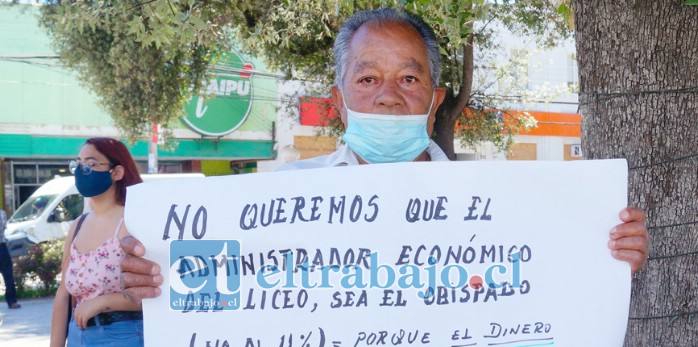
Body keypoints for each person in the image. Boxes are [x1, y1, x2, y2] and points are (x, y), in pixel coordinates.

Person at [119, 7, 649, 302]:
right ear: (340, 101)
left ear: (436, 99)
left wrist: (605, 261)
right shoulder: (280, 197)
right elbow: (218, 287)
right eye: (368, 77)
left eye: (410, 78)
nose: (389, 95)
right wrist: (158, 273)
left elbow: (545, 286)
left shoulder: (502, 208)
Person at [44, 138, 147, 347]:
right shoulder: (78, 225)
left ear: (116, 172)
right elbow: (64, 294)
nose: (81, 170)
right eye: (78, 162)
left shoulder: (135, 222)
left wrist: (102, 301)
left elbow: (153, 290)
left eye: (91, 163)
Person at [0, 209, 19, 309]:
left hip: (2, 246)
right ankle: (11, 301)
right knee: (8, 275)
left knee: (8, 275)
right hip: (2, 247)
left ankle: (12, 301)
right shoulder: (2, 213)